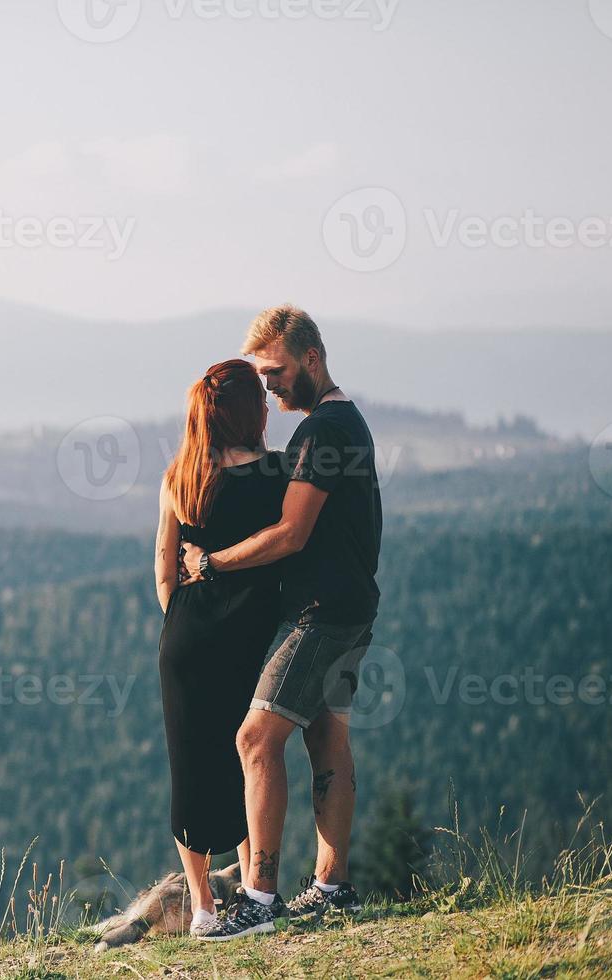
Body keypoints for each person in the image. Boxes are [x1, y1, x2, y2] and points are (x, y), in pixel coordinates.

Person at [183, 305, 382, 940]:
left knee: (254, 740)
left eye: (275, 372)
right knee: (328, 742)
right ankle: (330, 888)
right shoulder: (346, 421)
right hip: (352, 606)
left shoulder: (323, 431)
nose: (267, 385)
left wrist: (212, 563)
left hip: (321, 614)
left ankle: (260, 901)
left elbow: (292, 534)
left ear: (311, 361)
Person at [154, 357, 289, 937]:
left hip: (185, 639)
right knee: (247, 760)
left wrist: (184, 619)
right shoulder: (279, 474)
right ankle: (253, 891)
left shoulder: (181, 475)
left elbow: (164, 569)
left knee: (190, 765)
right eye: (260, 398)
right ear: (245, 412)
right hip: (248, 639)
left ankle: (204, 906)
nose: (267, 406)